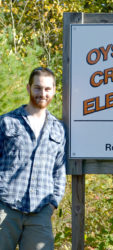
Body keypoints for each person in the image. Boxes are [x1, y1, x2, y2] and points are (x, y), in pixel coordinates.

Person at [0, 67, 66, 250]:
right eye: (37, 88)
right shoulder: (7, 122)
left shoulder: (58, 129)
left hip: (40, 213)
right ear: (29, 88)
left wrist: (52, 204)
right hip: (5, 209)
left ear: (54, 90)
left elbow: (59, 171)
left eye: (47, 89)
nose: (42, 93)